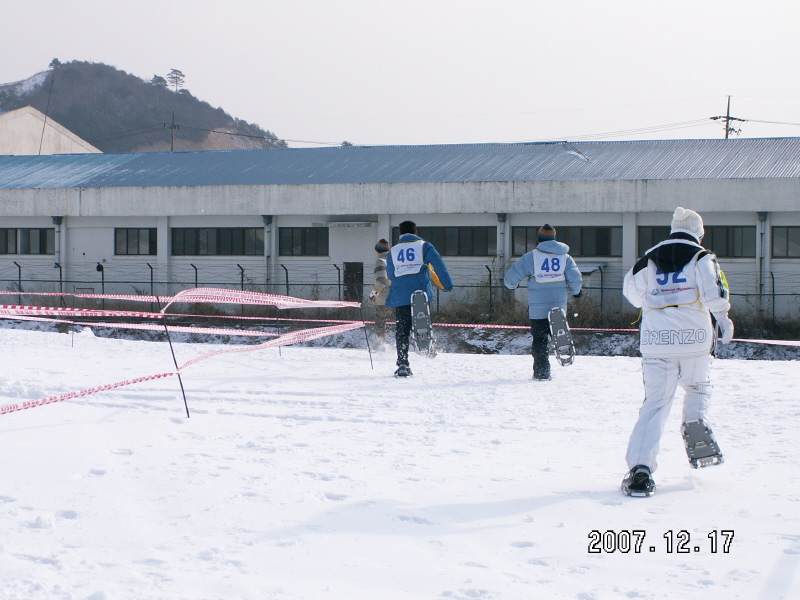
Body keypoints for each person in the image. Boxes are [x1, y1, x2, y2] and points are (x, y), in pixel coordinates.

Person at [620, 207, 734, 497]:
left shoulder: (646, 260)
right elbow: (714, 291)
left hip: (657, 342)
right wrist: (722, 318)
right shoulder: (702, 257)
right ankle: (695, 418)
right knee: (697, 385)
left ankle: (641, 471)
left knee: (656, 404)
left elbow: (632, 296)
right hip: (695, 340)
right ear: (699, 231)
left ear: (672, 229)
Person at [504, 224, 583, 380]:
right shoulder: (565, 257)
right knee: (559, 334)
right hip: (558, 307)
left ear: (538, 239)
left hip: (538, 308)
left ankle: (542, 370)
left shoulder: (530, 257)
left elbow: (510, 279)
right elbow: (575, 278)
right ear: (554, 238)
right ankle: (564, 353)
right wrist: (577, 292)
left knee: (539, 340)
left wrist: (513, 285)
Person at [385, 221, 453, 377]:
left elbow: (390, 274)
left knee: (402, 328)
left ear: (400, 234)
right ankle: (427, 347)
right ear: (416, 232)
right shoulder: (424, 246)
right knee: (423, 321)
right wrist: (447, 284)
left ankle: (403, 363)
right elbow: (438, 264)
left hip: (401, 295)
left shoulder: (393, 251)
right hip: (420, 292)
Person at [369, 239, 392, 346]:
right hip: (400, 297)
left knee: (380, 324)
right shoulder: (394, 260)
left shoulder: (380, 261)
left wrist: (373, 295)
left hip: (385, 300)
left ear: (377, 250)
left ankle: (381, 346)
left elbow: (381, 281)